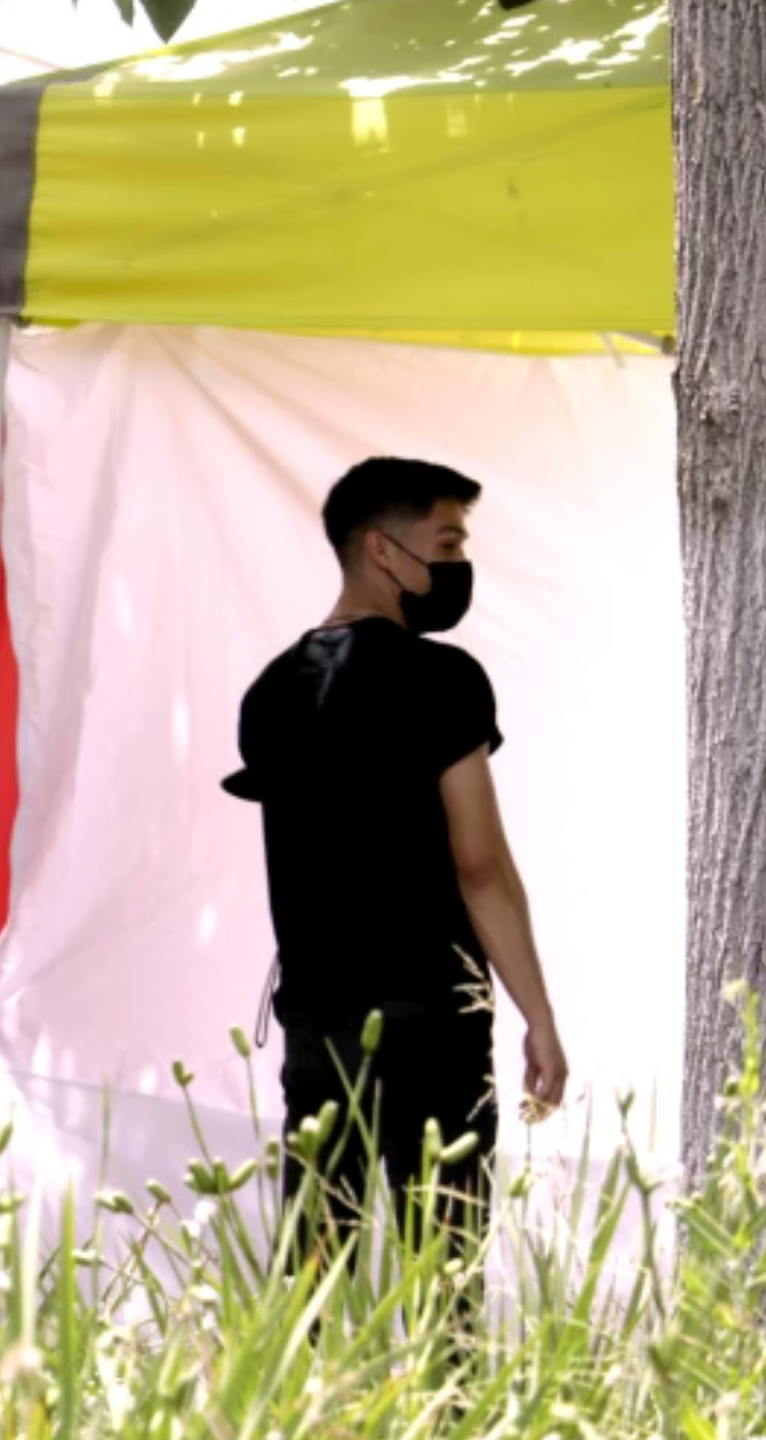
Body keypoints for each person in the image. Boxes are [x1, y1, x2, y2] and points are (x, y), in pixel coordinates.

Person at [224, 458, 569, 1276]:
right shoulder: (441, 681)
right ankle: (443, 1412)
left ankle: (297, 1409)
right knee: (441, 1279)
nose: (456, 564)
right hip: (433, 1026)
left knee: (313, 1273)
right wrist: (539, 1016)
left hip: (319, 1025)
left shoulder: (272, 693)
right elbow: (481, 868)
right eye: (446, 541)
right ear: (383, 550)